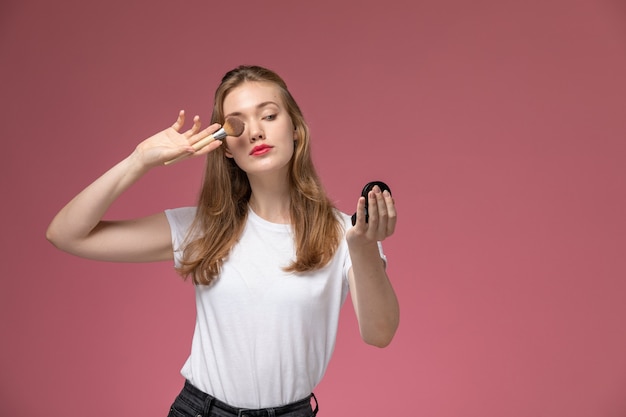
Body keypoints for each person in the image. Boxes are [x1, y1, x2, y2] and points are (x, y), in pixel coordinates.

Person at [46, 65, 399, 417]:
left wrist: (364, 247)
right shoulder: (203, 227)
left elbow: (380, 333)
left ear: (296, 130)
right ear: (226, 148)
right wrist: (139, 160)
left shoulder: (346, 234)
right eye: (239, 124)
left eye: (270, 115)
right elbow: (66, 234)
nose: (256, 132)